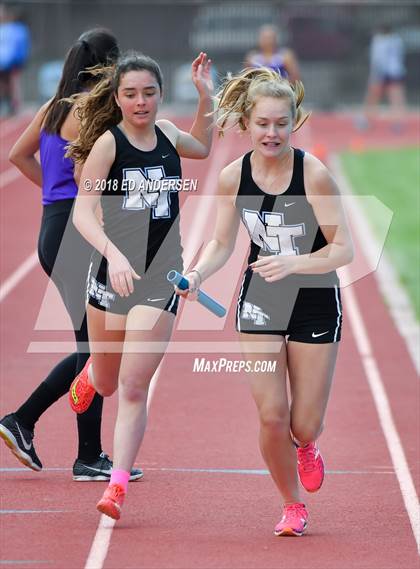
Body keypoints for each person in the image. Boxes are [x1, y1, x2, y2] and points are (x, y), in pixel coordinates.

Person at [177, 67, 353, 536]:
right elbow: (220, 243)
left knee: (304, 423)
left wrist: (295, 263)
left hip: (315, 300)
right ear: (247, 124)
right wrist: (196, 274)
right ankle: (291, 504)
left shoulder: (313, 175)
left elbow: (343, 250)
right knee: (271, 415)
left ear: (292, 123)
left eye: (280, 123)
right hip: (260, 303)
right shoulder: (235, 177)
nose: (271, 132)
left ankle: (308, 445)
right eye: (263, 123)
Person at [66, 51, 213, 519]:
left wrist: (206, 96)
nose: (141, 102)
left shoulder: (169, 134)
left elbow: (204, 147)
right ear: (117, 98)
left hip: (161, 277)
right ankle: (90, 373)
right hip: (113, 276)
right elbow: (83, 212)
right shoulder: (109, 145)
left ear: (160, 95)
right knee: (107, 382)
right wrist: (113, 254)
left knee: (132, 386)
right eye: (130, 94)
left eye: (149, 92)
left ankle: (116, 485)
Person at [0, 29, 142, 482]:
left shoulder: (53, 106)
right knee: (95, 348)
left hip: (55, 228)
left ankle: (42, 431)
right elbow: (88, 174)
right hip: (76, 235)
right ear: (108, 67)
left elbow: (17, 156)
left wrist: (57, 197)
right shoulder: (91, 112)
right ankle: (66, 445)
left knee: (92, 345)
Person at [359, 25, 406, 131]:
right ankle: (398, 123)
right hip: (396, 71)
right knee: (396, 98)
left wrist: (375, 75)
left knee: (373, 97)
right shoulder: (397, 40)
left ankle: (366, 120)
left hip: (381, 72)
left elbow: (378, 59)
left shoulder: (378, 41)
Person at [0, 4, 30, 115]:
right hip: (3, 63)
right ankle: (6, 104)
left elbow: (18, 46)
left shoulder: (16, 29)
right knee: (3, 85)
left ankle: (16, 105)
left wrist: (17, 60)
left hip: (12, 62)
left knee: (14, 83)